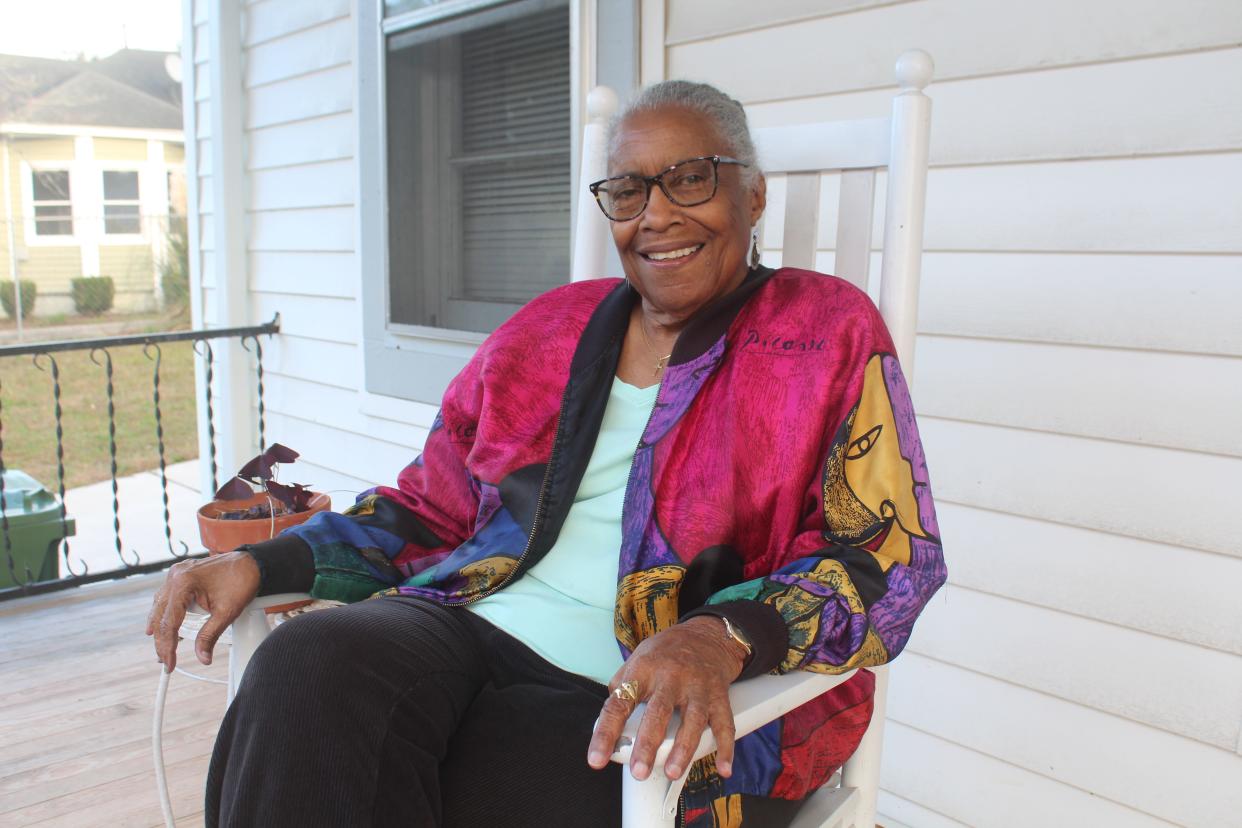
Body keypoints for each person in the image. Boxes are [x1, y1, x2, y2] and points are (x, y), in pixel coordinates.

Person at [147, 80, 947, 828]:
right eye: (630, 190)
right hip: (469, 623)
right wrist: (270, 561)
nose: (657, 215)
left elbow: (889, 556)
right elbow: (433, 505)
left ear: (754, 192)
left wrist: (724, 635)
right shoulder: (549, 330)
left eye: (691, 179)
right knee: (306, 668)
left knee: (487, 778)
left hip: (657, 691)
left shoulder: (822, 330)